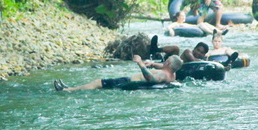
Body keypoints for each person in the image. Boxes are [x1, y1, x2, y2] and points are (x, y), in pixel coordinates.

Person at [54, 55, 183, 91]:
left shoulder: (162, 75)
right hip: (131, 82)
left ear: (168, 64)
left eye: (167, 61)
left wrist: (141, 64)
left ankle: (68, 90)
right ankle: (69, 88)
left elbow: (151, 79)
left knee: (98, 82)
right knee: (100, 83)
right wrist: (153, 64)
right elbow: (165, 67)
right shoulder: (172, 74)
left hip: (129, 82)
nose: (165, 62)